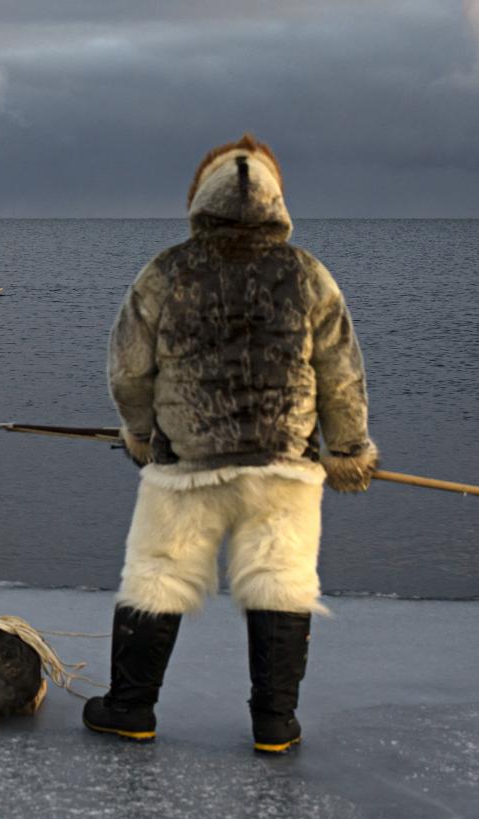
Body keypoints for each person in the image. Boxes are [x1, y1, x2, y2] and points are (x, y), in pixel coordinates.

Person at [83, 133, 377, 754]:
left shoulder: (166, 270)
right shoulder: (308, 274)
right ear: (277, 201)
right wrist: (348, 451)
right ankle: (274, 723)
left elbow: (128, 370)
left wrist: (139, 433)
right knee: (280, 580)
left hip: (185, 467)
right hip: (284, 470)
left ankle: (131, 708)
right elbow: (341, 374)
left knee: (157, 576)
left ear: (200, 198)